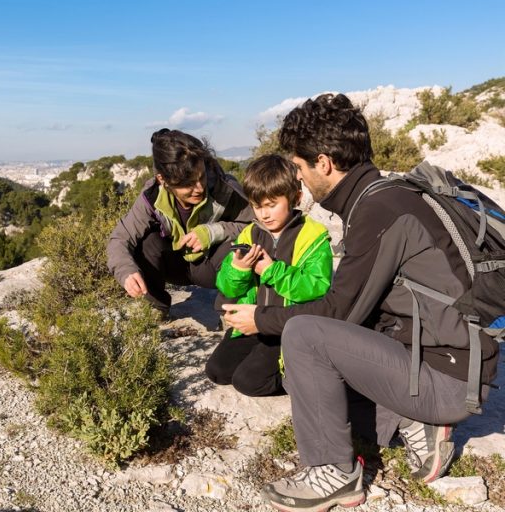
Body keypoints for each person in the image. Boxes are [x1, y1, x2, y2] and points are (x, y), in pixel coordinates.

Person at [222, 94, 500, 511]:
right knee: (309, 386)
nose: (297, 180)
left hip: (446, 380)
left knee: (304, 335)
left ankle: (333, 473)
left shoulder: (378, 210)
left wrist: (262, 318)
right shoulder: (388, 193)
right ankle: (416, 421)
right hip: (449, 364)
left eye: (298, 168)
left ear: (324, 163)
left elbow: (337, 313)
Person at [205, 154, 332, 396]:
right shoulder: (248, 234)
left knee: (249, 382)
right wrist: (238, 270)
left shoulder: (314, 237)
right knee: (217, 371)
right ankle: (261, 359)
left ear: (295, 197)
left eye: (271, 204)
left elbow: (317, 287)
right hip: (252, 325)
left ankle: (300, 372)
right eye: (257, 205)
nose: (264, 214)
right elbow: (227, 287)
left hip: (287, 330)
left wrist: (272, 271)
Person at [107, 128, 254, 318]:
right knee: (147, 242)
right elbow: (120, 238)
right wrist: (126, 272)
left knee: (237, 247)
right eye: (188, 184)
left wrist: (213, 232)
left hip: (212, 266)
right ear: (163, 180)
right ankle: (156, 309)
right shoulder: (152, 197)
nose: (199, 188)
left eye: (201, 176)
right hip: (175, 267)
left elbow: (256, 225)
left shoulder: (223, 188)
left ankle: (230, 312)